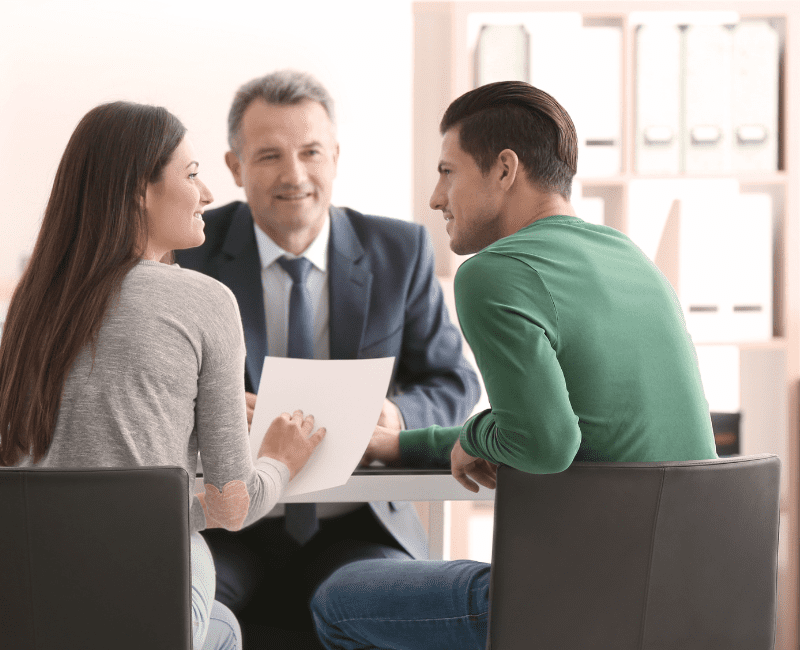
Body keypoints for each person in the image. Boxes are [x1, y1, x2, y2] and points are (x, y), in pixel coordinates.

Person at [309, 81, 719, 650]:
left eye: (447, 172)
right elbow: (561, 426)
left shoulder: (497, 271)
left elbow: (546, 443)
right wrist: (405, 445)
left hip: (579, 601)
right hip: (691, 595)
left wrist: (478, 432)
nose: (434, 197)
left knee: (339, 597)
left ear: (504, 169)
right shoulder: (630, 258)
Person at [0, 101, 326, 650]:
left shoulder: (29, 307)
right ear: (137, 191)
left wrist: (170, 501)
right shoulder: (204, 301)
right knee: (224, 629)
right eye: (193, 175)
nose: (208, 195)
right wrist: (279, 461)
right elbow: (231, 504)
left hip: (28, 589)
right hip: (151, 586)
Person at [174, 69, 481, 642]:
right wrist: (203, 413)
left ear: (335, 156)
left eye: (311, 152)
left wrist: (399, 418)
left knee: (390, 609)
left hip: (357, 524)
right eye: (269, 156)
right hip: (229, 523)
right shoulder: (189, 255)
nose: (295, 175)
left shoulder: (399, 250)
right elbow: (154, 388)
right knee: (177, 608)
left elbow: (453, 380)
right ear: (236, 167)